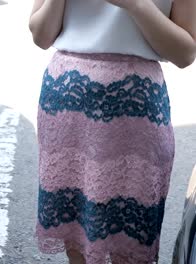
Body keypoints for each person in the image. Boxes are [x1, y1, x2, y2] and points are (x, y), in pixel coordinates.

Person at [29, 0, 195, 263]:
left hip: (135, 108)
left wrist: (137, 6)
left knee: (128, 240)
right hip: (69, 102)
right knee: (75, 232)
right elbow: (40, 35)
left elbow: (186, 53)